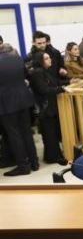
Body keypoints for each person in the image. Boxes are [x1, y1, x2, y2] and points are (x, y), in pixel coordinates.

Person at [0, 44, 38, 175]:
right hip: (24, 100)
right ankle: (34, 162)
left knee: (14, 135)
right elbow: (26, 76)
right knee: (27, 132)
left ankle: (23, 166)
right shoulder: (18, 59)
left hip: (6, 103)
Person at [28, 52, 67, 166]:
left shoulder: (45, 71)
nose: (50, 60)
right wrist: (61, 89)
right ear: (40, 60)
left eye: (49, 58)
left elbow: (55, 83)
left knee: (52, 133)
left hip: (49, 107)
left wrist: (69, 82)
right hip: (45, 109)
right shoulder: (37, 73)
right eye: (46, 58)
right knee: (49, 134)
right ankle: (52, 157)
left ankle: (54, 155)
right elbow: (44, 90)